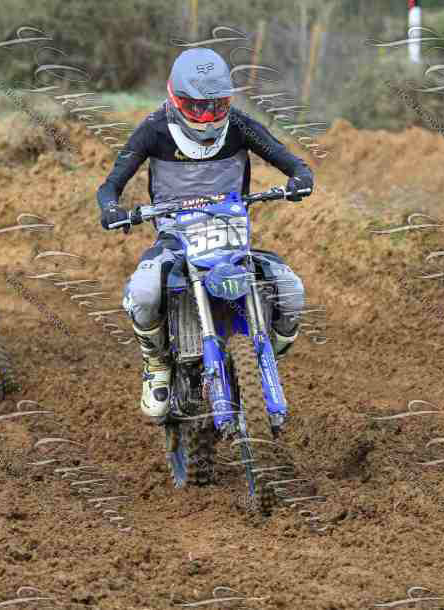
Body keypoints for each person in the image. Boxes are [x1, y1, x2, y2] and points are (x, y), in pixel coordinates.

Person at [96, 47, 314, 438]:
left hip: (231, 234)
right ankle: (156, 362)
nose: (208, 116)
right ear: (176, 99)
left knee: (291, 290)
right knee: (144, 292)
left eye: (218, 106)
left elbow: (290, 161)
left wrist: (300, 178)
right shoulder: (154, 129)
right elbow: (111, 183)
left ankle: (262, 361)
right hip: (175, 237)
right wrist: (111, 207)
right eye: (197, 107)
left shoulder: (240, 126)